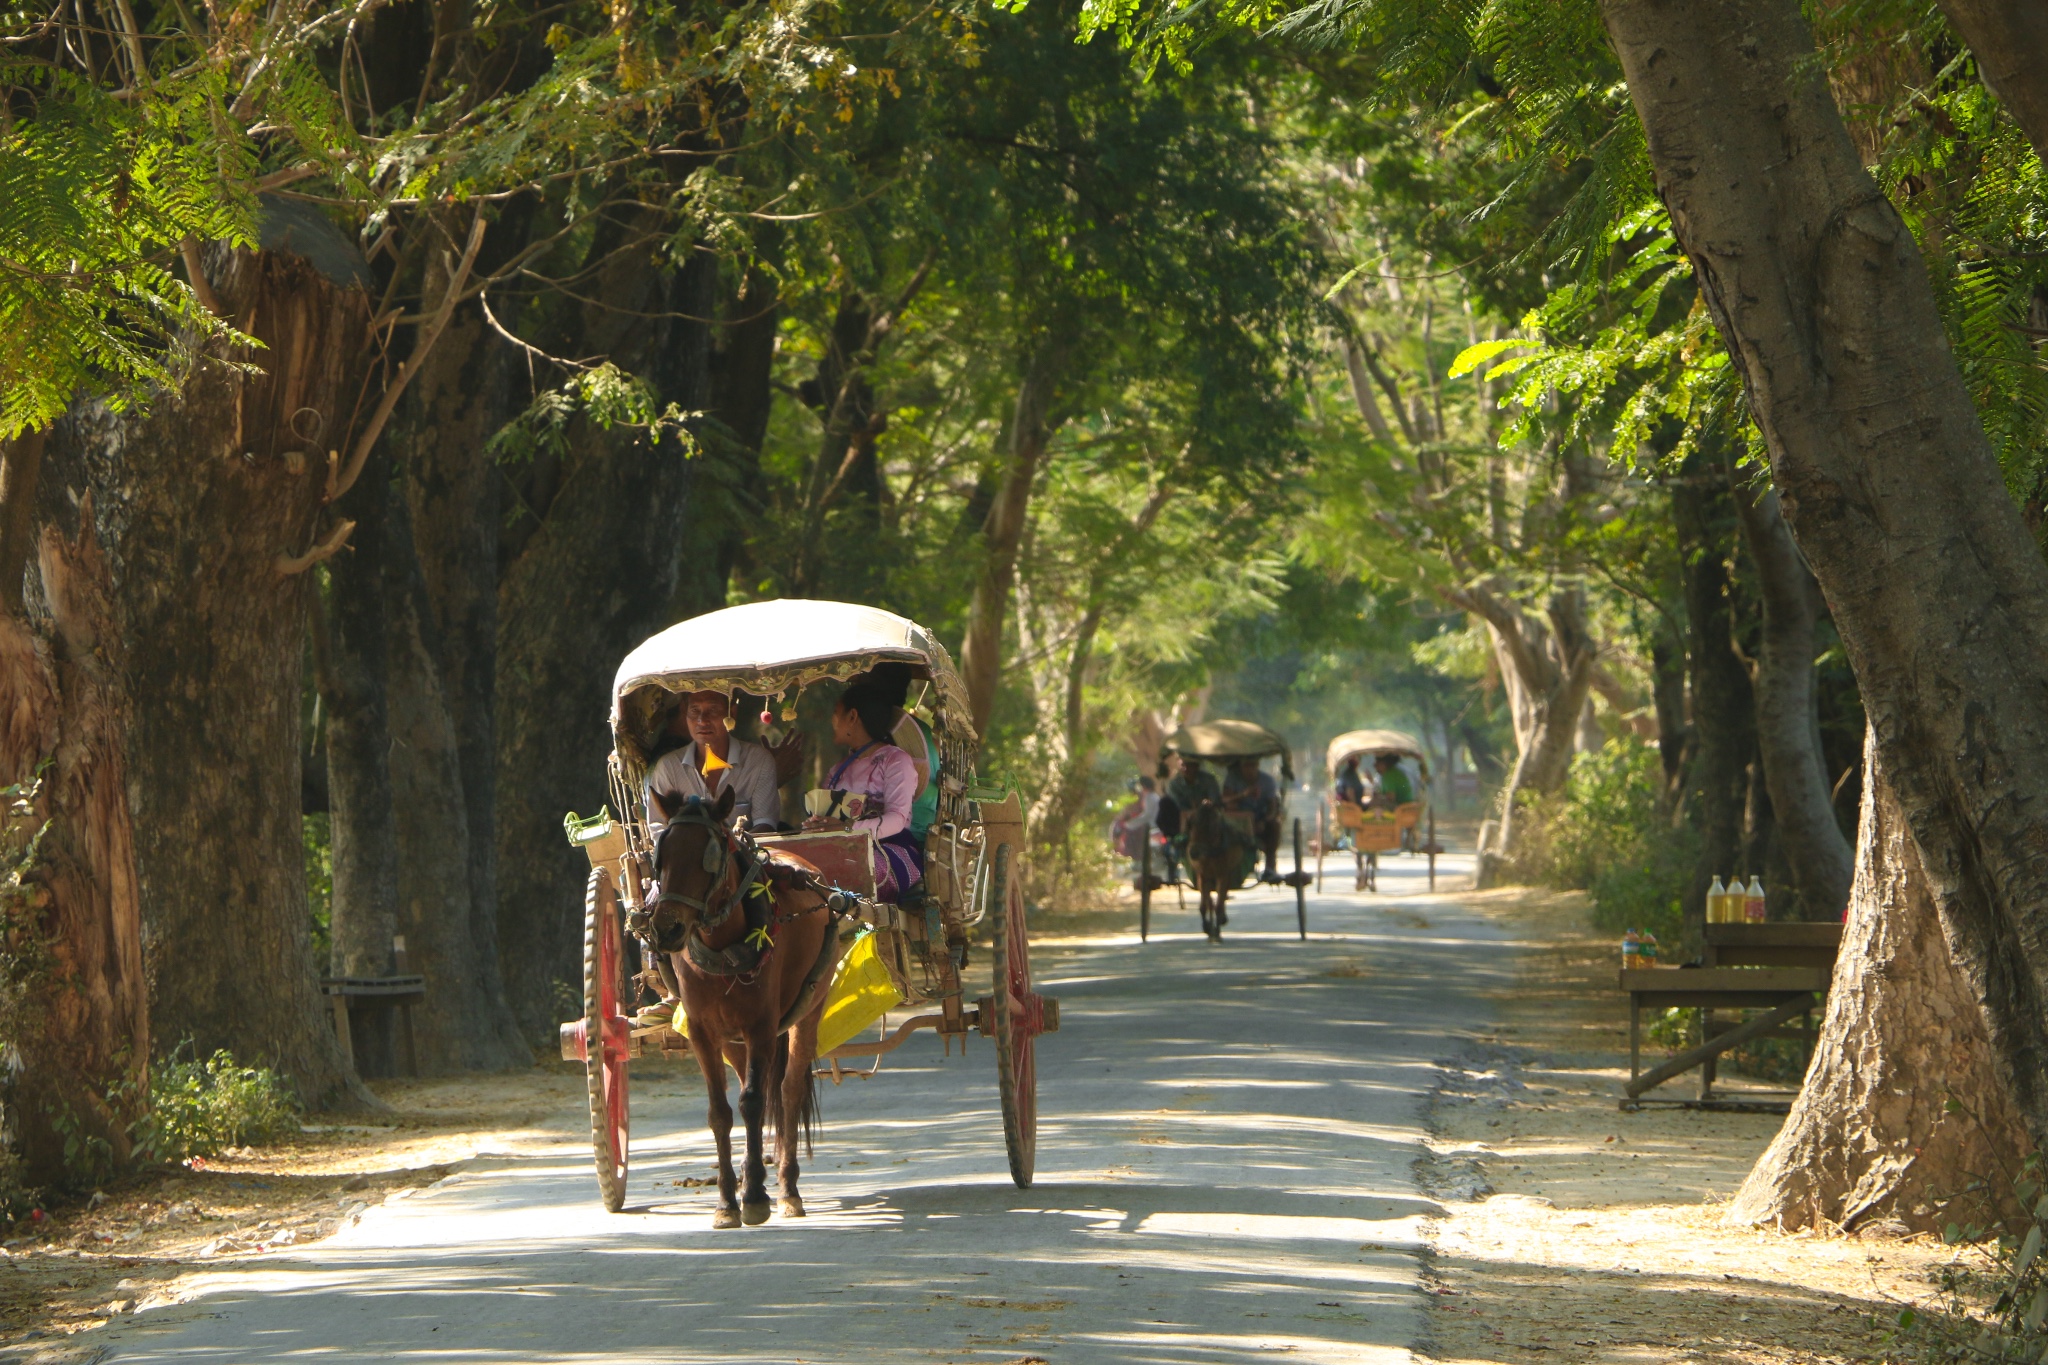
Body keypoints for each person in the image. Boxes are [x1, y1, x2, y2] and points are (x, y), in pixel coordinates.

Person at [810, 679, 924, 902]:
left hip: (891, 850)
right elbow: (827, 818)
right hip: (840, 851)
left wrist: (847, 829)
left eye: (836, 712)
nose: (831, 720)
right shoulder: (836, 771)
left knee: (851, 872)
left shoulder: (896, 760)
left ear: (852, 717)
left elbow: (897, 819)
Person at [643, 690, 782, 830]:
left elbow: (765, 824)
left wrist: (732, 850)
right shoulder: (668, 768)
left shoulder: (758, 761)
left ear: (731, 713)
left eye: (713, 710)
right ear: (685, 713)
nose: (702, 720)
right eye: (695, 710)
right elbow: (658, 829)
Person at [1223, 755, 1284, 883]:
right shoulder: (1233, 779)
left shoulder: (1267, 781)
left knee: (1275, 825)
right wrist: (1243, 795)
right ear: (1241, 767)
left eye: (1252, 766)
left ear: (1257, 765)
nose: (1249, 770)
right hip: (1237, 821)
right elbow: (1224, 799)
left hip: (1260, 819)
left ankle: (1270, 867)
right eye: (1246, 766)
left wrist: (1265, 821)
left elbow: (1273, 807)